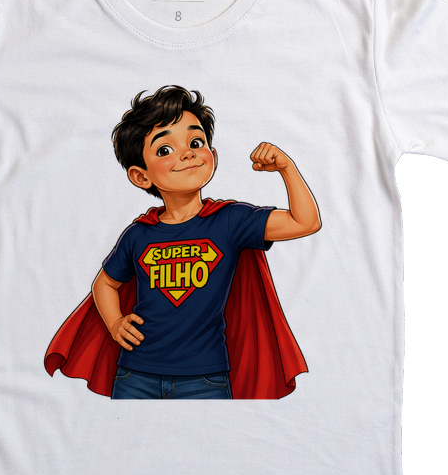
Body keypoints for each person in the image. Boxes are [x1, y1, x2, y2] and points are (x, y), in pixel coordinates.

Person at [44, 85, 321, 399]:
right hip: (135, 374)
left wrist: (286, 168)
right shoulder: (139, 233)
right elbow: (105, 284)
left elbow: (305, 222)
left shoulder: (230, 221)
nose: (187, 153)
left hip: (205, 378)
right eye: (165, 150)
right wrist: (114, 322)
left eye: (196, 142)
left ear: (212, 156)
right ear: (140, 176)